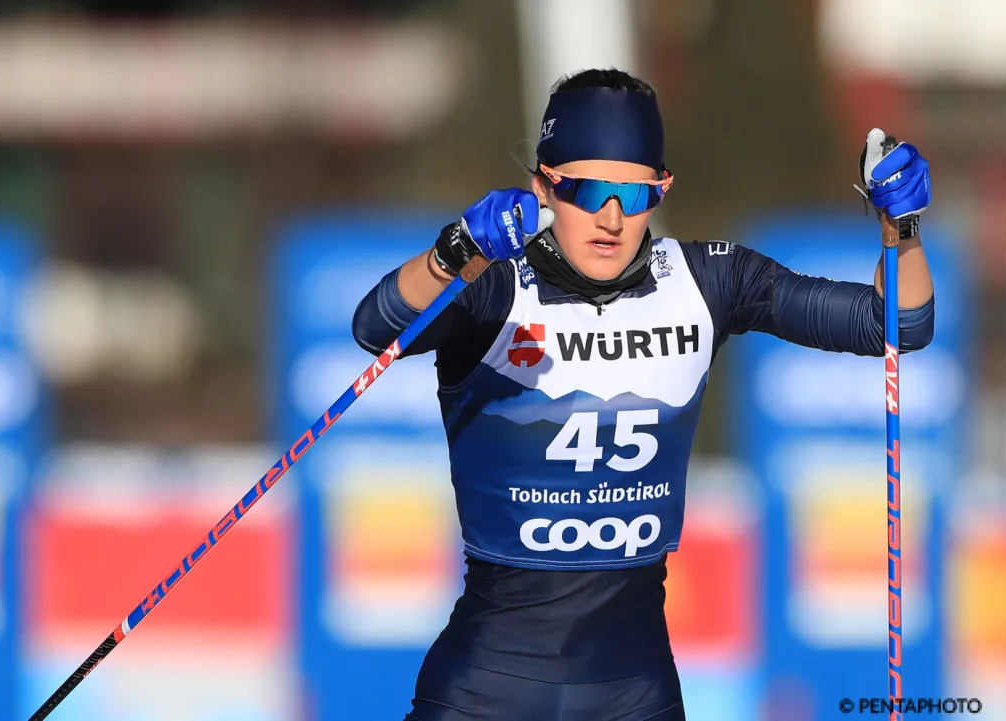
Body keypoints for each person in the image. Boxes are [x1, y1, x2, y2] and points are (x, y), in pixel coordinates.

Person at [351, 68, 934, 721]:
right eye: (588, 189)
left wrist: (901, 229)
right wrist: (453, 253)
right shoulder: (494, 286)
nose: (609, 217)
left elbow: (895, 325)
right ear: (544, 185)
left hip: (632, 691)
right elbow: (376, 327)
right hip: (488, 687)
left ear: (661, 192)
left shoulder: (708, 278)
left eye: (634, 195)